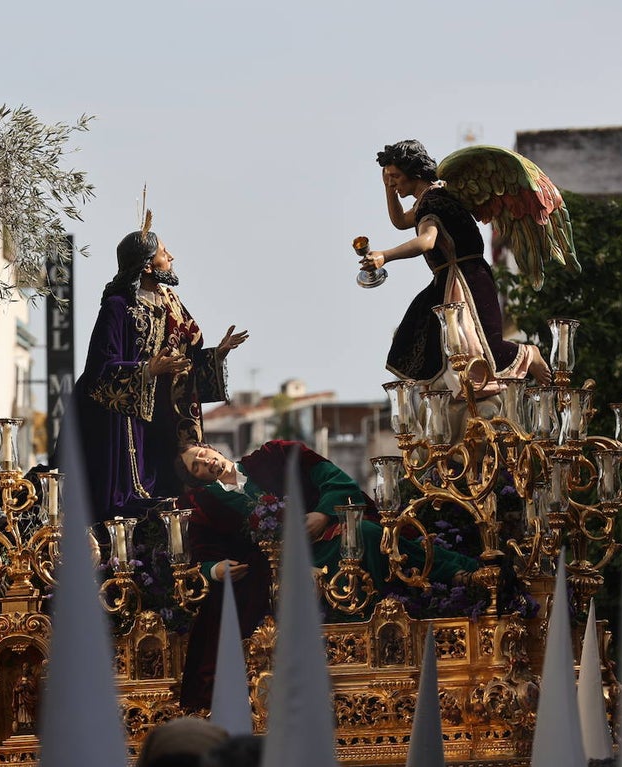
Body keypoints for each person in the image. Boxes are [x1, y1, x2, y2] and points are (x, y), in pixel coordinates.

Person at [174, 439, 477, 710]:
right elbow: (197, 556)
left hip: (325, 542)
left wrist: (323, 514)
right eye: (196, 467)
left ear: (212, 447)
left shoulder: (275, 455)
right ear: (196, 479)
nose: (205, 463)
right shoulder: (205, 503)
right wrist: (214, 569)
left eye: (202, 454)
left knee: (369, 534)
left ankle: (457, 575)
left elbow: (335, 480)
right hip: (270, 570)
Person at [58, 225, 248, 523]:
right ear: (147, 264)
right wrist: (147, 370)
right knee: (127, 494)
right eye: (163, 253)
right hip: (121, 418)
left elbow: (188, 358)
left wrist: (215, 356)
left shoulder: (171, 301)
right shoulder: (118, 306)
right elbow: (97, 370)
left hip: (164, 416)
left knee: (168, 485)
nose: (170, 257)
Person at [361, 140, 551, 395]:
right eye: (389, 178)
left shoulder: (434, 201)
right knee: (433, 340)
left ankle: (530, 354)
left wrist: (385, 256)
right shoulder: (427, 199)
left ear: (414, 172)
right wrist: (388, 188)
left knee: (484, 346)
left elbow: (426, 241)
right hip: (449, 280)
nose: (393, 182)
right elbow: (399, 221)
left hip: (468, 279)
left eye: (396, 176)